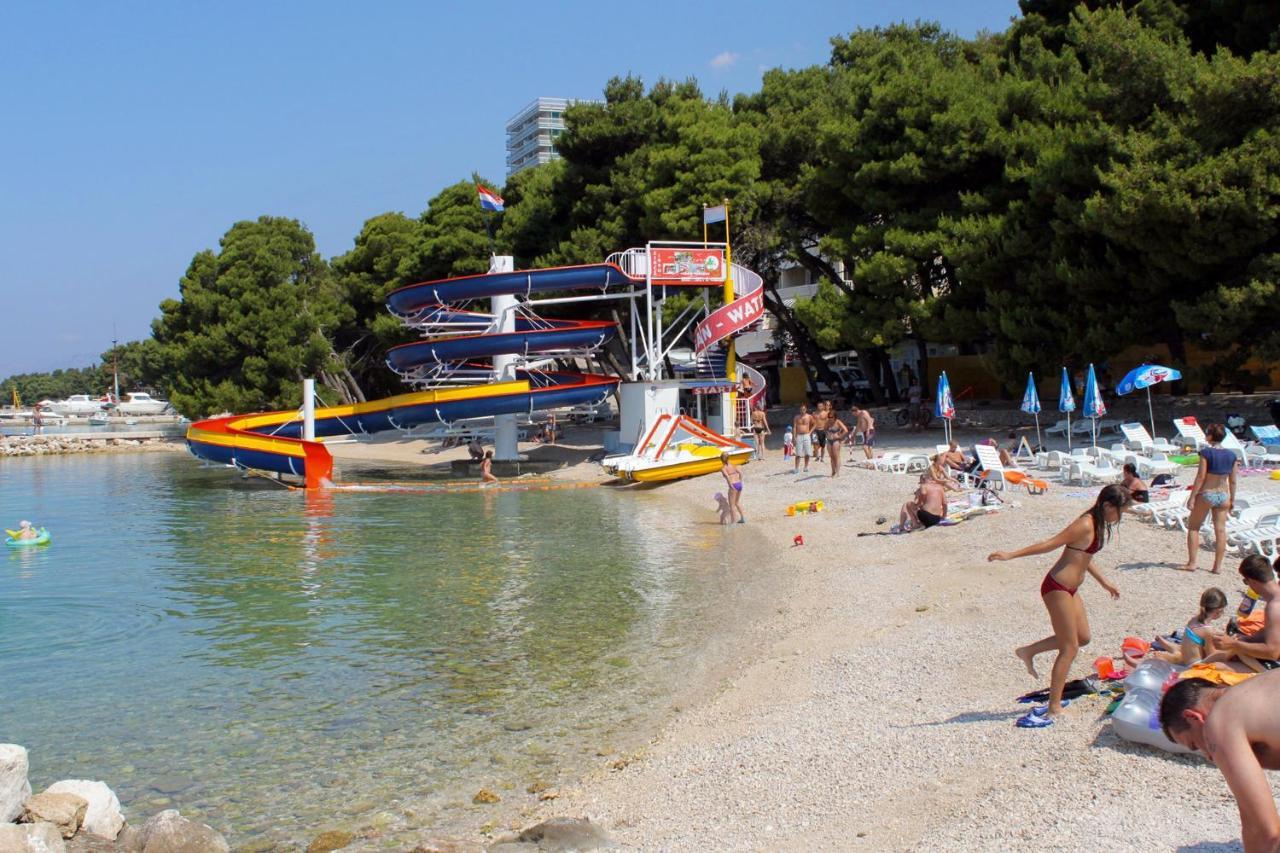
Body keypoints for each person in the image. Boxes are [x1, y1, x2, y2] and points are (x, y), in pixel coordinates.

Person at [988, 484, 1128, 726]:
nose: (1120, 516)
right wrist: (1011, 555)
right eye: (1120, 511)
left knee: (1082, 637)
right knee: (1069, 648)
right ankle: (1054, 707)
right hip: (1056, 588)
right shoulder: (1085, 523)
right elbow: (1050, 544)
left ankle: (1028, 651)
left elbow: (1084, 557)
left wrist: (1105, 582)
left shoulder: (1097, 522)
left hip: (1071, 589)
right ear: (1107, 506)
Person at [1159, 668, 1280, 851]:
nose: (1208, 756)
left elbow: (1267, 834)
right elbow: (1250, 817)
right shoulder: (1253, 688)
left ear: (1193, 717)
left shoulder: (1219, 722)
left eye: (1195, 744)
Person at [1180, 423, 1239, 574]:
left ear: (1211, 436)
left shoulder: (1206, 453)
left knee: (1193, 527)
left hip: (1208, 493)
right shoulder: (1232, 455)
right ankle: (1217, 567)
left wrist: (1192, 497)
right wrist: (1233, 499)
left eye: (1207, 433)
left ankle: (1192, 563)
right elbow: (1233, 481)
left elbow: (1200, 477)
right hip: (1223, 494)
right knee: (1220, 531)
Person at [1205, 555, 1280, 672]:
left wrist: (1234, 644)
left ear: (1253, 581)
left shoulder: (1274, 607)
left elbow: (1272, 652)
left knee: (1217, 667)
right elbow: (1273, 631)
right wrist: (1247, 639)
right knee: (1226, 656)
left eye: (1246, 581)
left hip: (1276, 668)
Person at [1152, 587, 1228, 665]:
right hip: (1194, 666)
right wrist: (1228, 651)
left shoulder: (1194, 620)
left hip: (1186, 656)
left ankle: (1169, 653)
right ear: (1218, 611)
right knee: (1223, 657)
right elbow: (1211, 655)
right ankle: (1168, 657)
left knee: (1180, 649)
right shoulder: (1207, 631)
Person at [720, 451, 745, 524]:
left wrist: (730, 485)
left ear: (721, 460)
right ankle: (743, 518)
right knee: (737, 502)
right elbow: (740, 473)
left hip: (733, 485)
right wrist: (740, 481)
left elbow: (727, 477)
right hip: (739, 484)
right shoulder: (733, 465)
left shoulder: (723, 468)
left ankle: (733, 522)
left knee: (732, 506)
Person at [825, 410, 850, 477]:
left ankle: (837, 472)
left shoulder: (838, 422)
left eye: (831, 417)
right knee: (831, 457)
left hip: (836, 441)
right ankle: (833, 471)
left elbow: (846, 430)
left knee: (836, 456)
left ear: (835, 417)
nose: (830, 418)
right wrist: (828, 433)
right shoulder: (828, 422)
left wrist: (839, 436)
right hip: (829, 440)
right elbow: (825, 429)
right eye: (829, 417)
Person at [792, 405, 814, 474]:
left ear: (806, 409)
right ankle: (796, 468)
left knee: (807, 453)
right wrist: (794, 437)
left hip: (806, 435)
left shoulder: (809, 416)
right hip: (799, 435)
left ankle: (806, 467)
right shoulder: (796, 417)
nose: (802, 410)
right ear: (799, 410)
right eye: (801, 409)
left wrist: (810, 432)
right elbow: (794, 427)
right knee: (798, 453)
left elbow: (814, 424)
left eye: (804, 409)